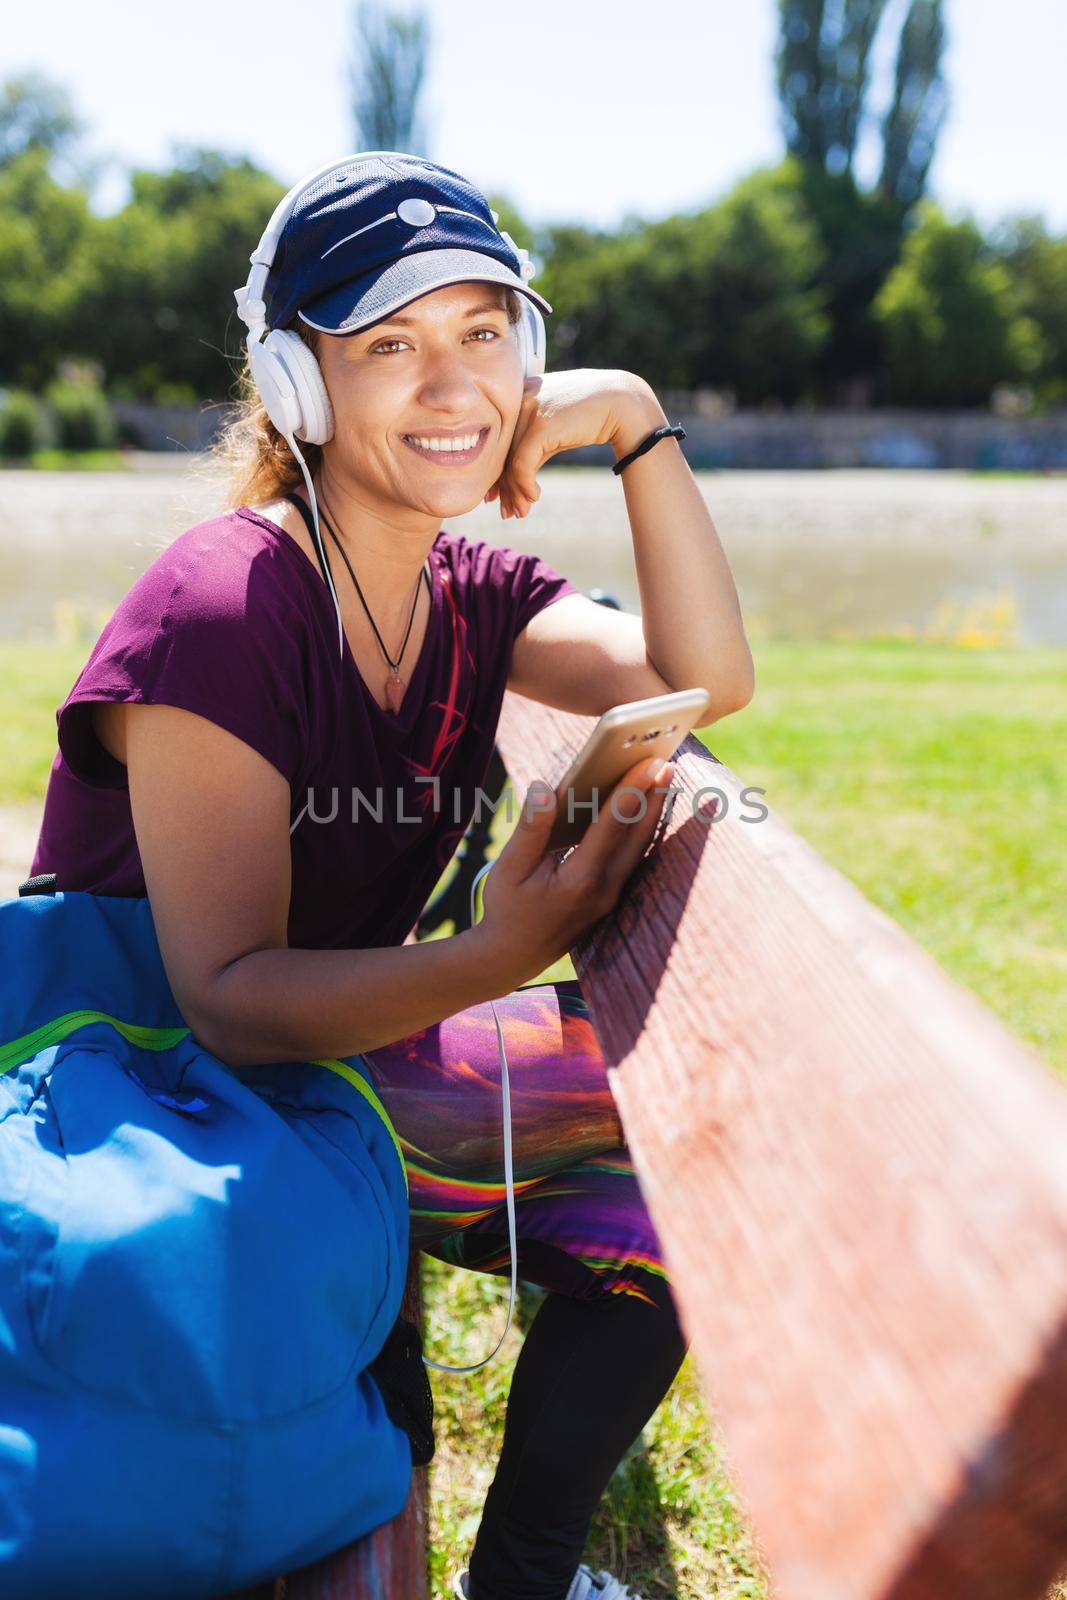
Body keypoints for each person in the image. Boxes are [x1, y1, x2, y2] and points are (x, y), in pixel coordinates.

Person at [26, 153, 755, 1600]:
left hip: (335, 1060)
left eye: (486, 331)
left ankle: (528, 1575)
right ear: (298, 386)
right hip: (146, 1074)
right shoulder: (223, 603)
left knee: (686, 1152)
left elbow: (706, 677)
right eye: (389, 346)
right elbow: (226, 1001)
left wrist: (638, 427)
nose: (452, 384)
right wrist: (504, 950)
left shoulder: (469, 595)